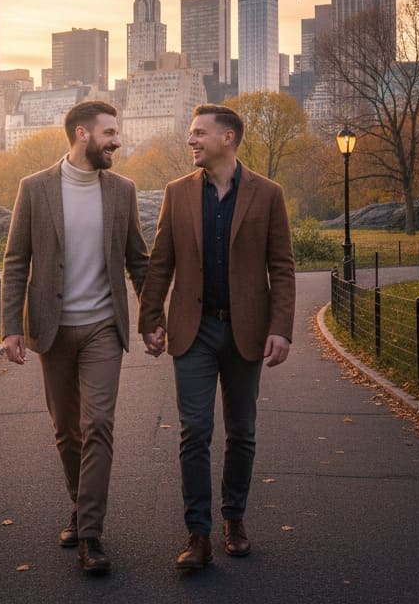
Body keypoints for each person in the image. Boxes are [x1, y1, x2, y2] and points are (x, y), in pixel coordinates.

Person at [140, 103, 296, 571]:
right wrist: (150, 320)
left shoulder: (268, 195)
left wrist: (281, 329)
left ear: (227, 138)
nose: (191, 140)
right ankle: (198, 534)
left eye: (198, 133)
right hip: (195, 330)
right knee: (195, 432)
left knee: (242, 432)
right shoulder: (177, 192)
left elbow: (282, 268)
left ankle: (234, 519)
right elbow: (160, 260)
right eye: (191, 133)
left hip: (247, 331)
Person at [1, 100, 148, 576]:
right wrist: (11, 328)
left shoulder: (122, 191)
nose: (116, 140)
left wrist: (154, 316)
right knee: (67, 432)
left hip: (104, 326)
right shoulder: (35, 188)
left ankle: (90, 534)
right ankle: (80, 505)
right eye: (109, 132)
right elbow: (16, 260)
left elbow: (138, 260)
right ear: (82, 134)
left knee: (98, 426)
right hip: (53, 329)